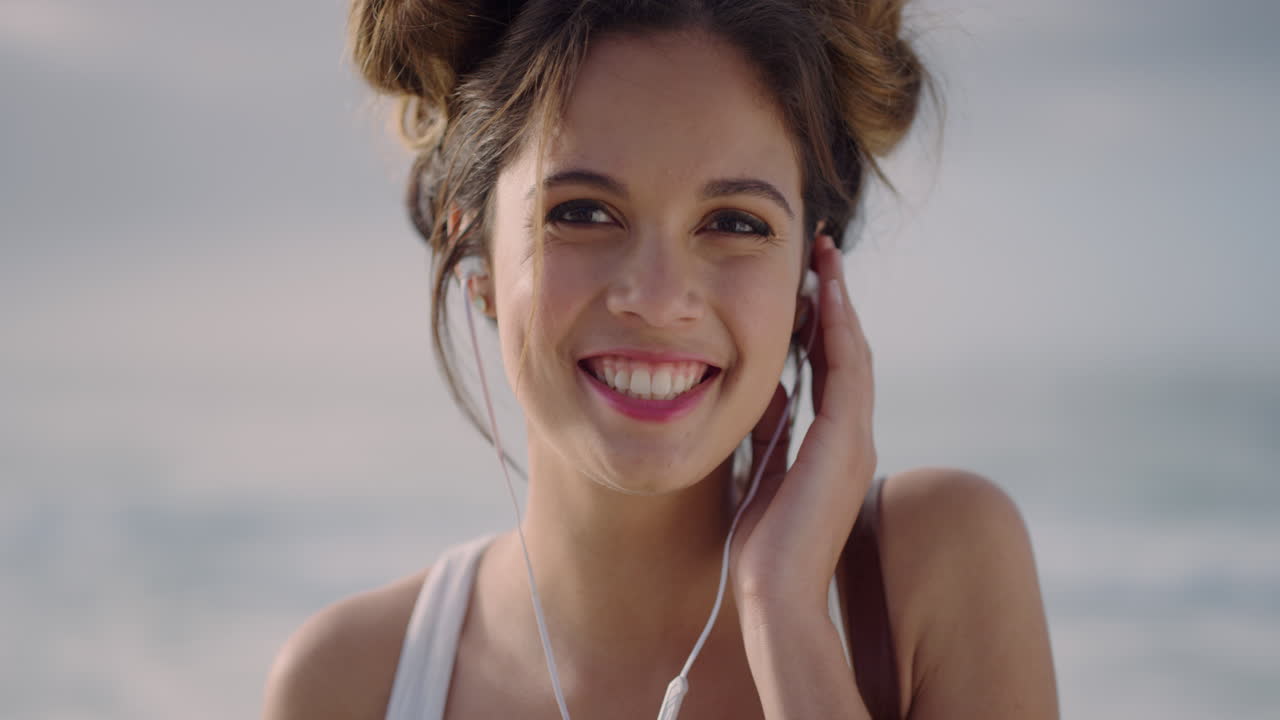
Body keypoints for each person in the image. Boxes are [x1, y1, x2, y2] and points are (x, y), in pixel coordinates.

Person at [264, 1, 1059, 718]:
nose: (657, 296)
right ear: (471, 250)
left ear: (809, 281)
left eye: (735, 223)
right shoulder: (347, 685)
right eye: (581, 212)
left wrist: (786, 620)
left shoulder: (934, 573)